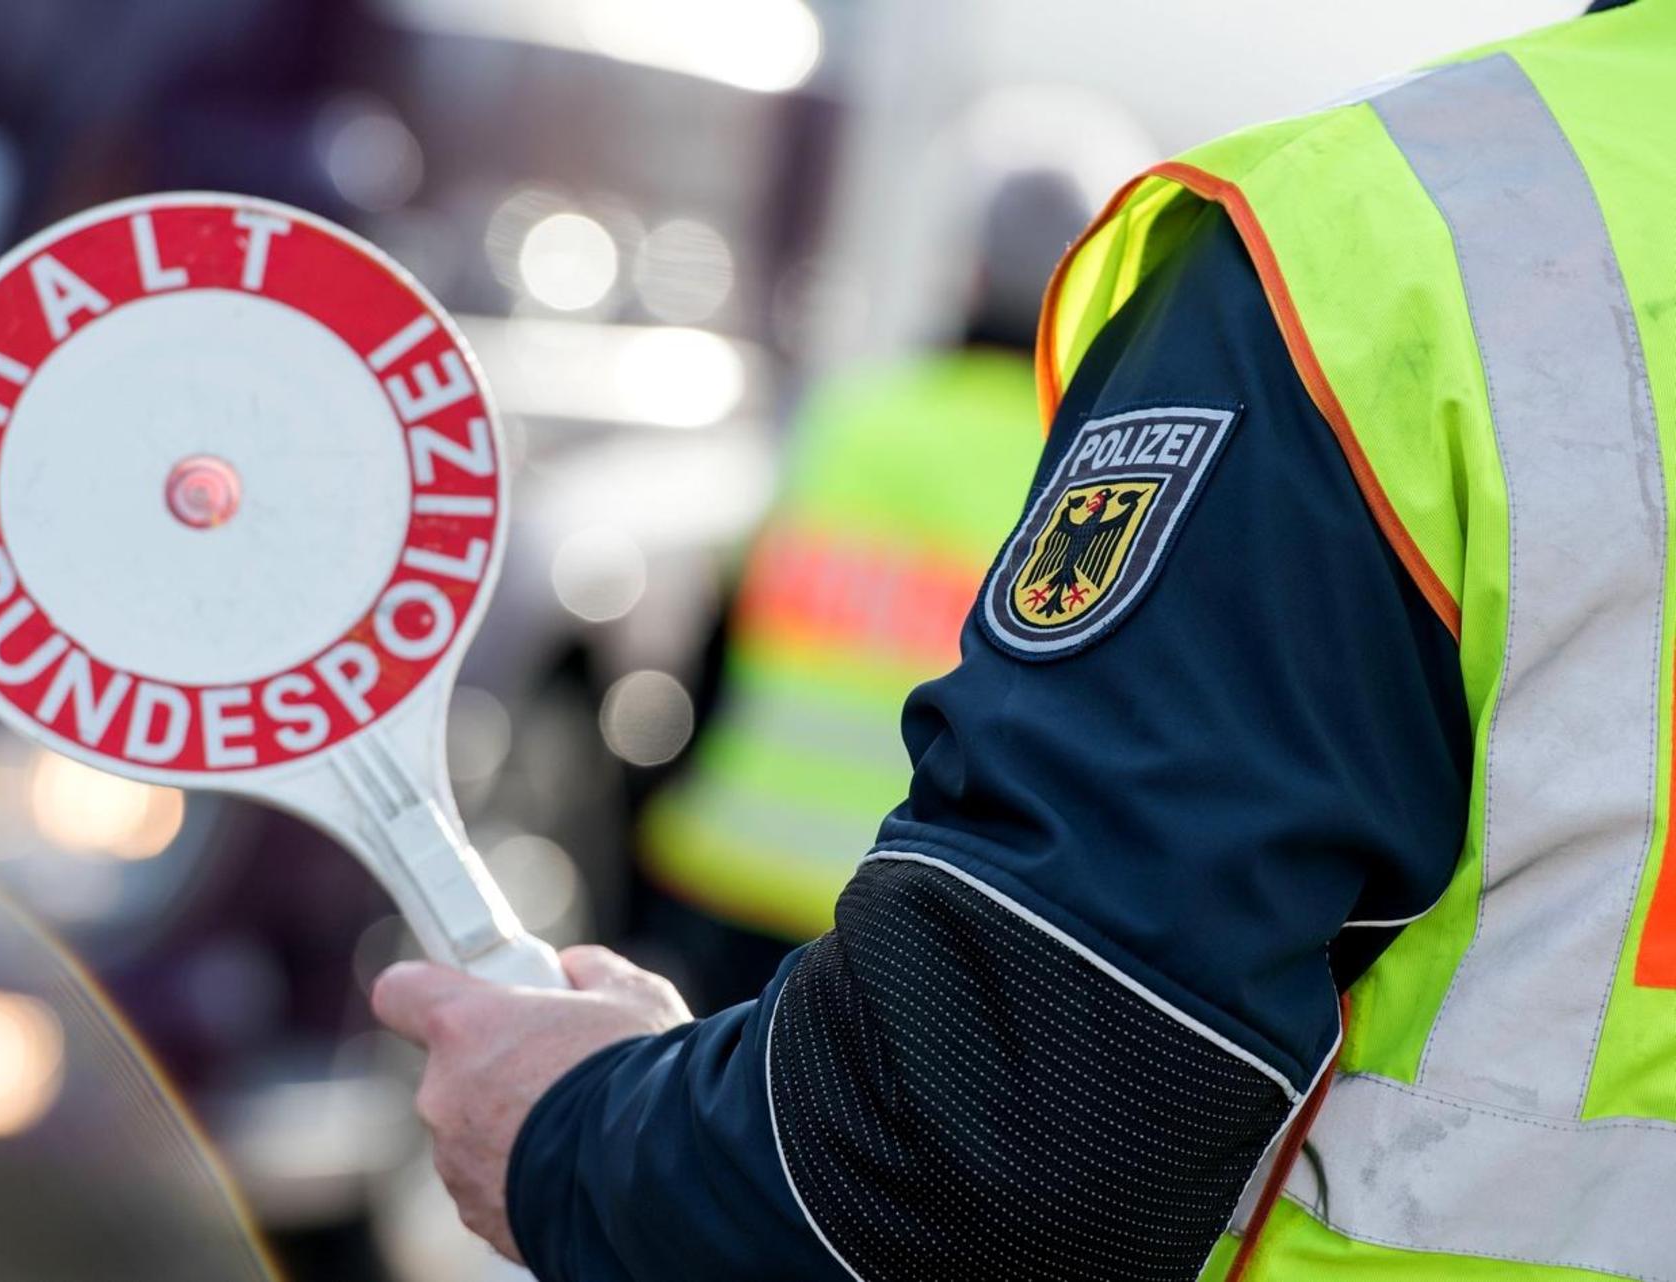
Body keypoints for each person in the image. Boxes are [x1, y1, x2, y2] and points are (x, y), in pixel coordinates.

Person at [373, 2, 1676, 1278]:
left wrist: (573, 1131)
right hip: (891, 937)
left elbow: (1000, 1147)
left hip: (835, 931)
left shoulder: (1415, 249)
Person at [635, 170, 1087, 1011]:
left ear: (969, 272)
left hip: (727, 875)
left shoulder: (853, 415)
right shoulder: (1085, 484)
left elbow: (720, 634)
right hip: (905, 929)